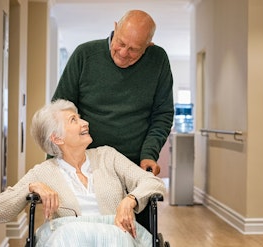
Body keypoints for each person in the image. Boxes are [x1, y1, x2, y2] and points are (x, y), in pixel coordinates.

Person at [0, 99, 165, 246]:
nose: (85, 123)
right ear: (57, 138)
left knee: (118, 238)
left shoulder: (107, 156)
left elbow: (154, 183)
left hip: (116, 237)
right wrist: (31, 187)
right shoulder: (45, 171)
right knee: (69, 236)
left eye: (80, 118)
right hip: (68, 239)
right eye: (74, 120)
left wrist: (129, 200)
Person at [52, 9, 174, 176]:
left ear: (148, 46)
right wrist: (52, 163)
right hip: (84, 163)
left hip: (133, 164)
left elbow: (163, 114)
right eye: (121, 43)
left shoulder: (158, 60)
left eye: (133, 50)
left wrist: (149, 154)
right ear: (115, 28)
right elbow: (59, 112)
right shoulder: (85, 55)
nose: (123, 53)